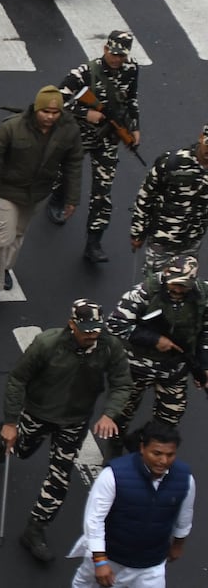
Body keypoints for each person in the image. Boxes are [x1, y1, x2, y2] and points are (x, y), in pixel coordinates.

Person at [0, 299, 133, 563]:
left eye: (96, 329)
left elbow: (122, 384)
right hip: (38, 413)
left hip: (74, 421)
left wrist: (109, 414)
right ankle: (1, 440)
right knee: (20, 450)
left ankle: (35, 529)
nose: (92, 335)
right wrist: (10, 422)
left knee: (60, 476)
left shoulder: (109, 347)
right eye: (86, 329)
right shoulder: (46, 344)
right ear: (72, 325)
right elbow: (17, 378)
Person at [0, 87, 85, 315]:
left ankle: (6, 268)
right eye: (46, 111)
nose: (50, 116)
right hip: (9, 190)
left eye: (55, 112)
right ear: (37, 109)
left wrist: (71, 198)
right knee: (3, 237)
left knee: (18, 234)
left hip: (38, 193)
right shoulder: (12, 126)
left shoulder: (69, 132)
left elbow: (74, 164)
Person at [53, 30, 142, 263]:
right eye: (113, 54)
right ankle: (57, 198)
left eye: (121, 56)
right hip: (79, 135)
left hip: (108, 139)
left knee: (102, 192)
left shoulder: (131, 70)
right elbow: (55, 102)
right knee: (65, 173)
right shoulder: (83, 73)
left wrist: (134, 127)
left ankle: (94, 242)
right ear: (105, 49)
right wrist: (85, 113)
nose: (116, 59)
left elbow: (131, 100)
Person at [71, 419, 195, 587]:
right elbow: (94, 519)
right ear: (142, 449)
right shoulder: (113, 475)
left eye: (170, 455)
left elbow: (185, 515)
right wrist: (100, 561)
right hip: (111, 557)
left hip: (151, 564)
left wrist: (178, 544)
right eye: (157, 453)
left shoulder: (185, 479)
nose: (163, 461)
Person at [105, 255, 208, 446]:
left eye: (183, 286)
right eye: (174, 284)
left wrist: (204, 364)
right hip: (137, 366)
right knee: (122, 413)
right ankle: (115, 450)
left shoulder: (203, 295)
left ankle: (143, 444)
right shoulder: (144, 292)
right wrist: (154, 340)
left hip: (175, 368)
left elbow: (205, 331)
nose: (177, 290)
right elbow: (115, 324)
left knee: (169, 421)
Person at [130, 125, 208, 277]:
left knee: (181, 286)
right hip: (162, 239)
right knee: (154, 285)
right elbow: (146, 195)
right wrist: (137, 232)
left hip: (192, 242)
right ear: (201, 138)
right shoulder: (172, 162)